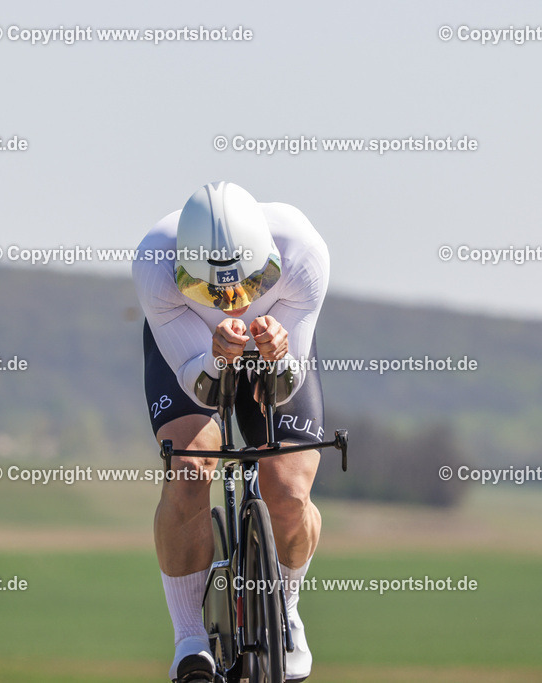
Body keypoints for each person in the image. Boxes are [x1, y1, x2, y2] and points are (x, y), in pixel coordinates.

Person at [132, 181, 330, 682]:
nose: (234, 303)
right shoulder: (155, 264)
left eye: (249, 285)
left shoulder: (303, 253)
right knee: (191, 467)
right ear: (183, 272)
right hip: (194, 353)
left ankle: (285, 610)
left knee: (288, 487)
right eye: (213, 292)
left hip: (276, 351)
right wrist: (218, 356)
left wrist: (278, 354)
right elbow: (198, 387)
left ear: (269, 261)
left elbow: (284, 387)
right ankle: (189, 640)